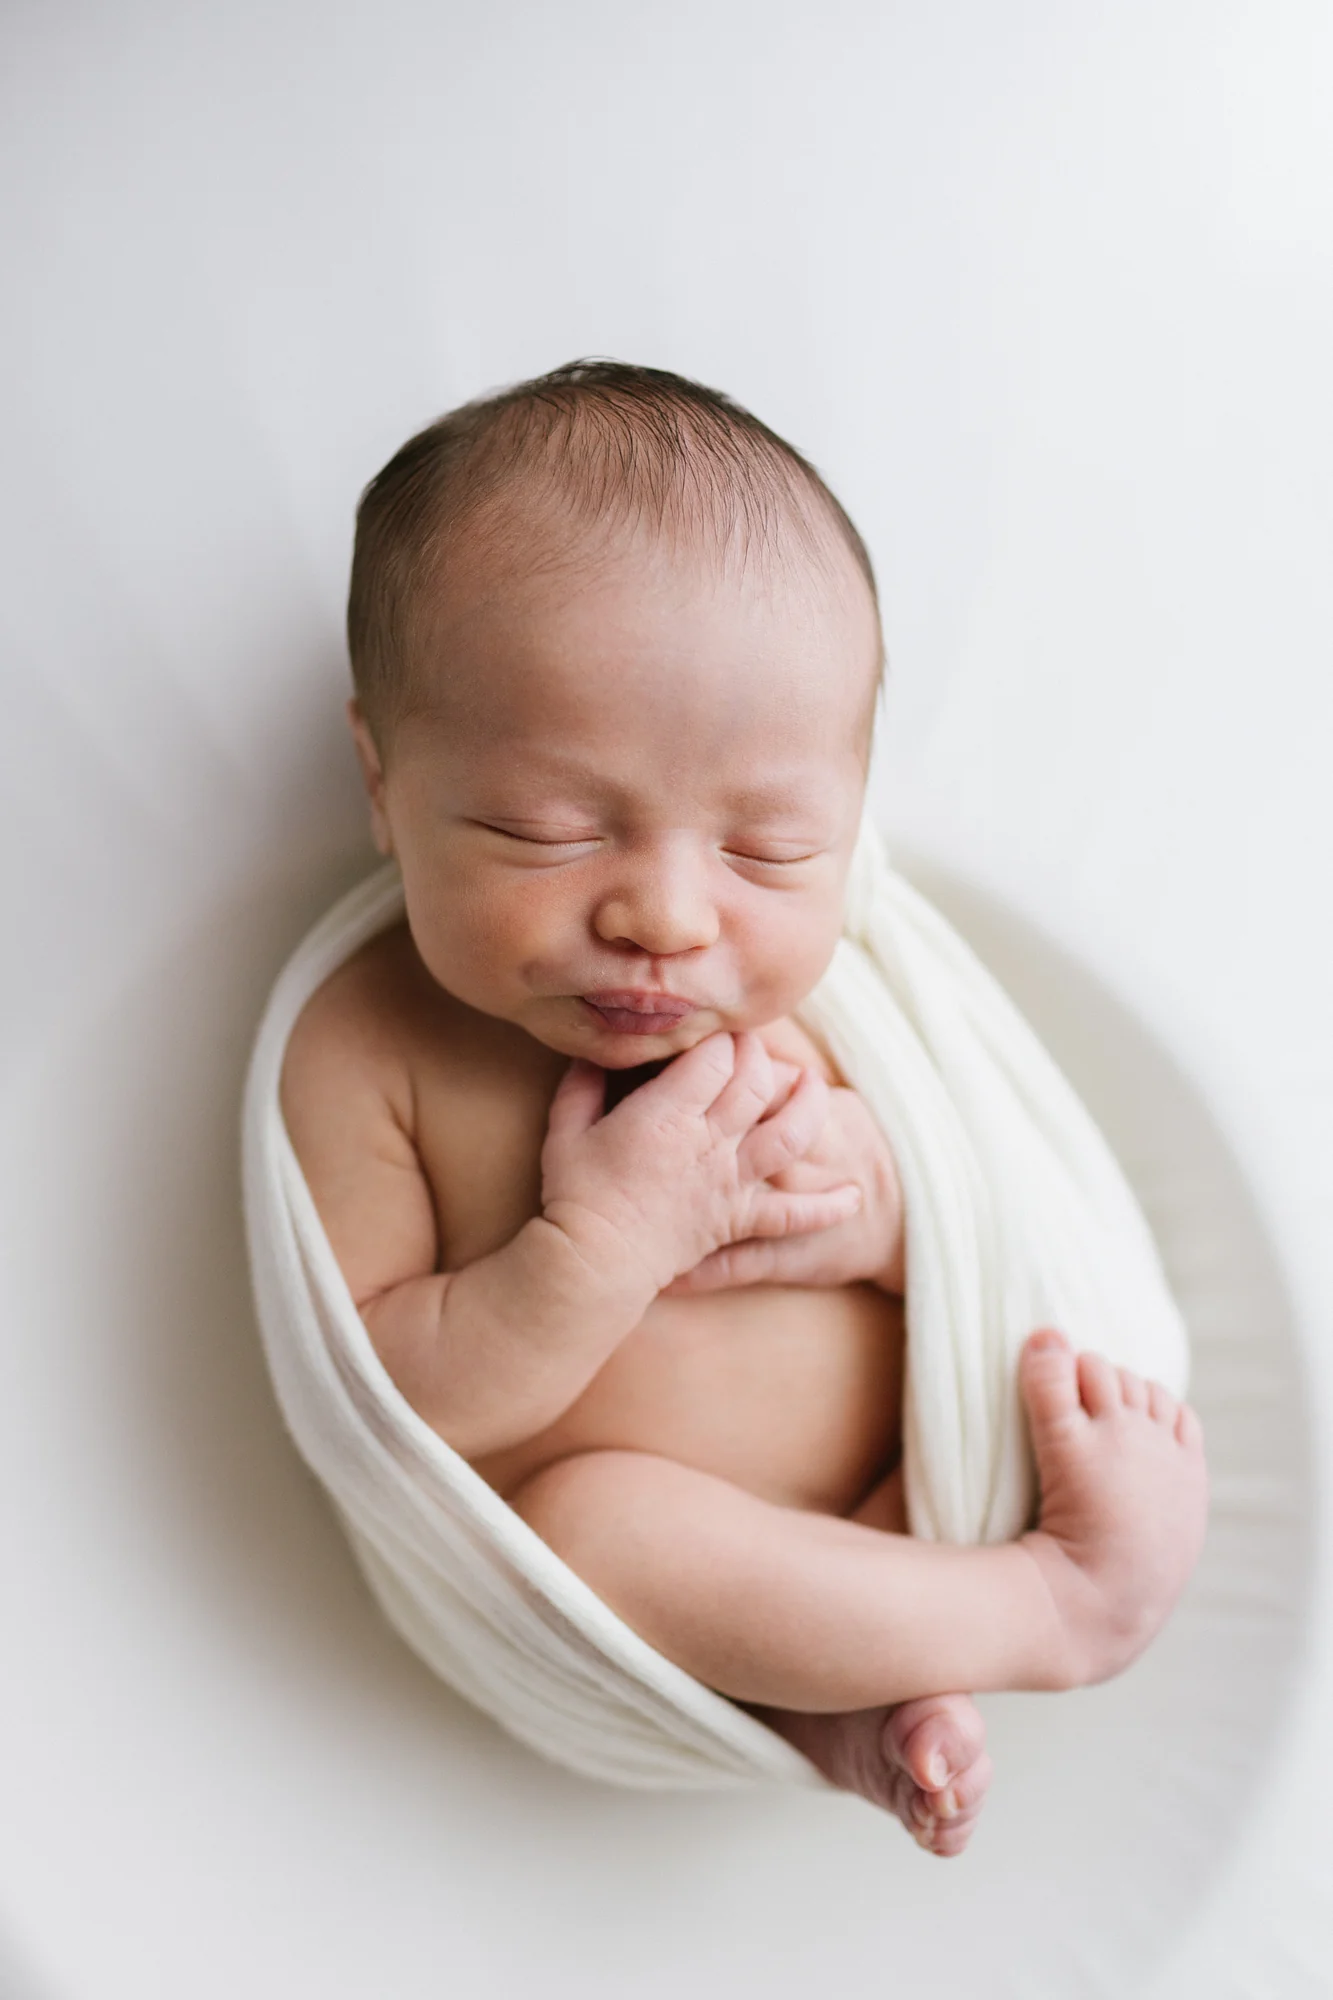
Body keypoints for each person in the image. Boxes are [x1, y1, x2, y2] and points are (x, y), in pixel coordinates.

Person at [279, 359, 1207, 1857]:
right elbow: (388, 1403)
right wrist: (597, 1248)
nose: (663, 913)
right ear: (384, 784)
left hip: (936, 1471)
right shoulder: (368, 1045)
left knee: (968, 1337)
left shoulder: (831, 1002)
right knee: (595, 1529)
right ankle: (1049, 1605)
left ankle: (863, 1674)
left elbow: (989, 1193)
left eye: (771, 850)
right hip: (643, 1597)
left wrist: (892, 1212)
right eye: (547, 829)